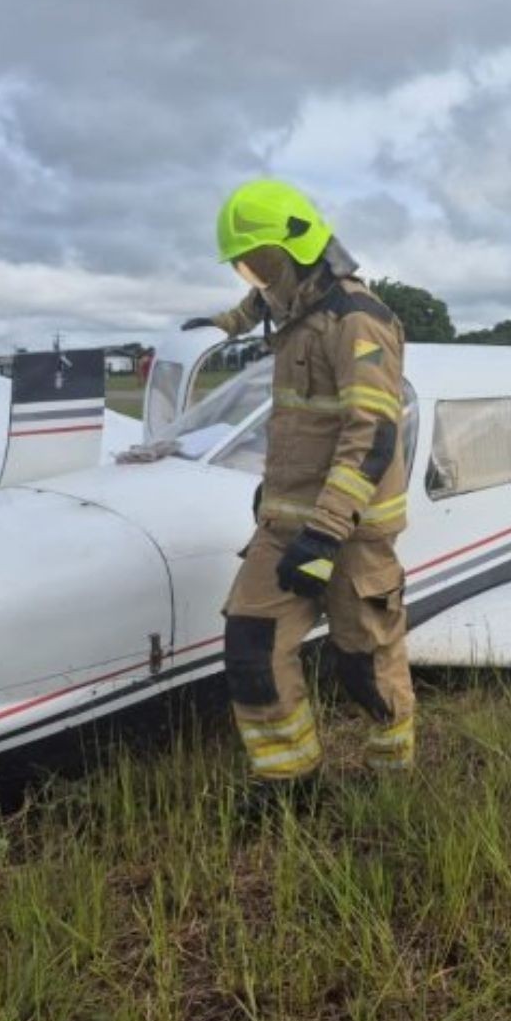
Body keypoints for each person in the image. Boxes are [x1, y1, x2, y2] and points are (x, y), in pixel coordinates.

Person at [183, 179, 414, 797]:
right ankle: (290, 783)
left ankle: (391, 782)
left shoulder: (358, 322)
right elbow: (265, 299)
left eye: (261, 263)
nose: (257, 278)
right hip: (286, 525)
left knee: (364, 665)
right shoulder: (293, 307)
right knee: (251, 648)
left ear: (300, 249)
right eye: (245, 266)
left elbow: (372, 435)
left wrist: (325, 533)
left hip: (350, 532)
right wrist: (225, 322)